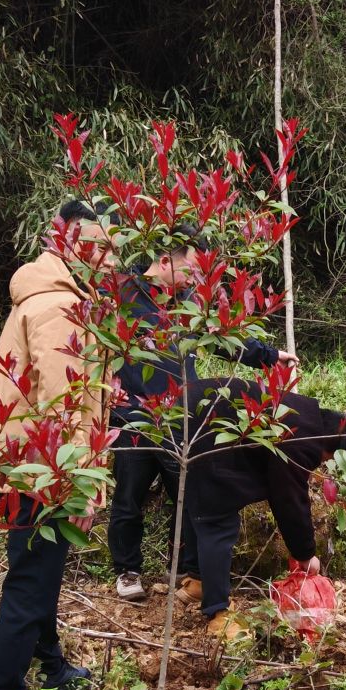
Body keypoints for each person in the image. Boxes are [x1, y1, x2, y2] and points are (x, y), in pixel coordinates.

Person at [0, 204, 104, 690]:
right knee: (30, 585)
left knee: (38, 576)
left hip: (27, 467)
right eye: (96, 245)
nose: (105, 258)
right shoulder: (57, 307)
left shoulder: (52, 297)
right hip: (41, 473)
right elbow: (63, 404)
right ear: (69, 242)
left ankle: (51, 668)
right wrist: (80, 484)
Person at [108, 228, 284, 602]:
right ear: (166, 260)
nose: (194, 279)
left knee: (189, 498)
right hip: (133, 417)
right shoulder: (122, 294)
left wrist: (269, 356)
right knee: (128, 498)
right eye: (191, 269)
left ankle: (190, 574)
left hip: (180, 416)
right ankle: (127, 571)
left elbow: (222, 337)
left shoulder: (189, 302)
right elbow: (94, 343)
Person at [182, 381, 346, 641]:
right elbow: (289, 497)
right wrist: (305, 554)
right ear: (329, 444)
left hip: (190, 413)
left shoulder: (303, 415)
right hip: (202, 425)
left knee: (202, 507)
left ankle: (199, 583)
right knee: (217, 520)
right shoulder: (304, 440)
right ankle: (219, 613)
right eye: (328, 457)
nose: (323, 463)